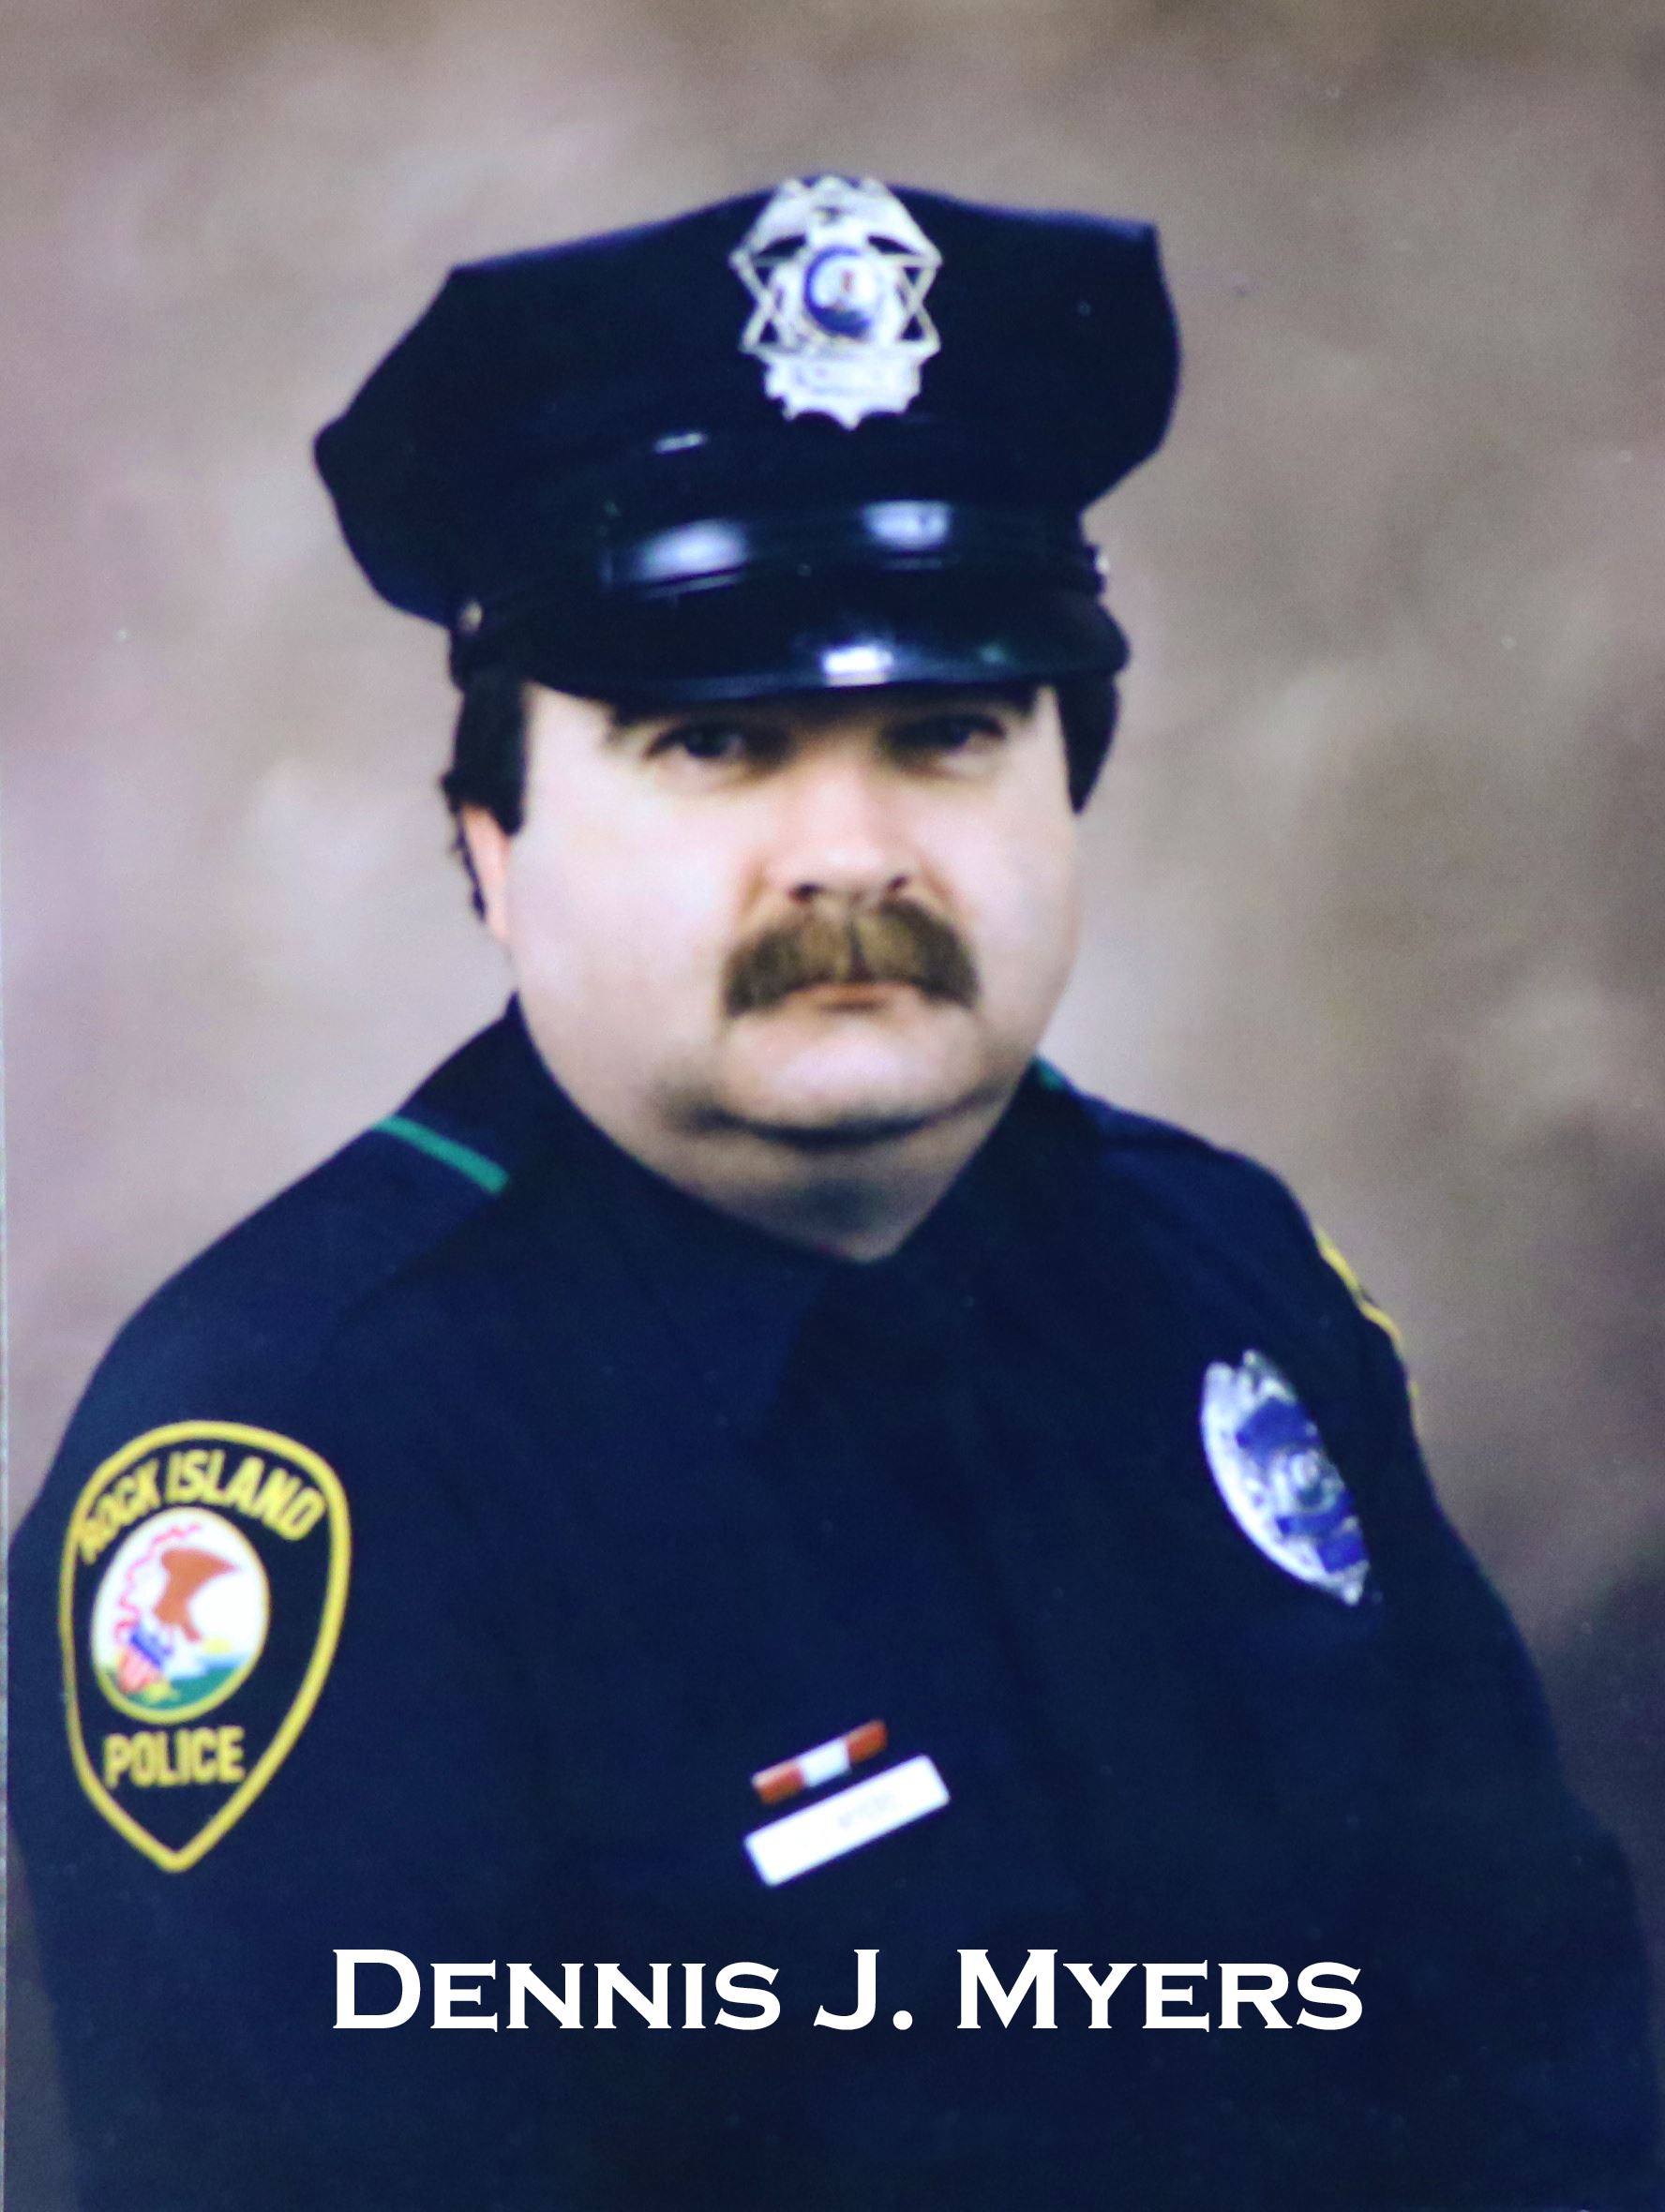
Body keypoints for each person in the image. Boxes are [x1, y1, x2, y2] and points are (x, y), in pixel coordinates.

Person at [10, 175, 1659, 2212]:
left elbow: (1545, 2048)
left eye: (949, 730)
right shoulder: (305, 1446)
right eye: (718, 744)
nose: (851, 851)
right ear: (494, 851)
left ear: (1070, 794)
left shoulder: (1222, 1273)